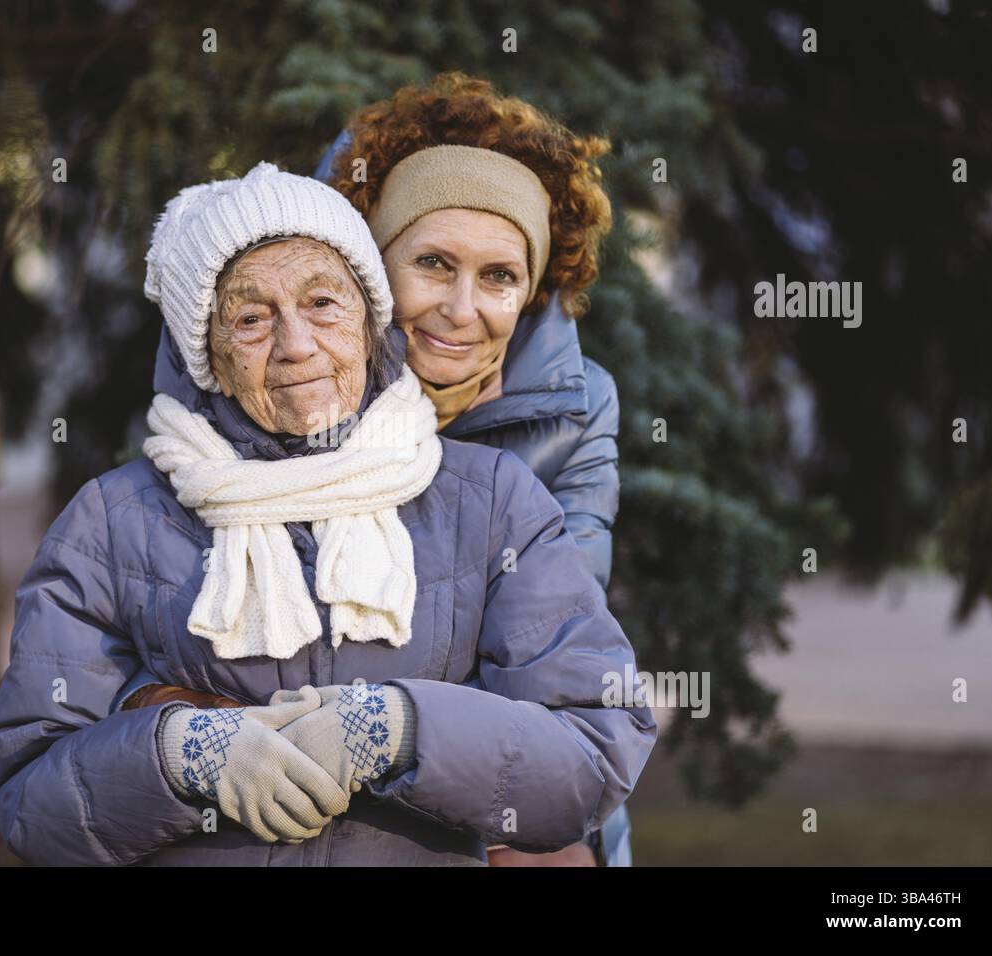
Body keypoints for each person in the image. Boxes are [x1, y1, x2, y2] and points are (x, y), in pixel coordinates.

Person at [0, 160, 656, 865]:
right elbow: (30, 801)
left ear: (371, 320)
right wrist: (183, 757)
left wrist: (396, 730)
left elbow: (594, 748)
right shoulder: (112, 521)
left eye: (324, 304)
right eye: (251, 318)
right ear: (205, 351)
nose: (296, 345)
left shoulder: (493, 502)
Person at [118, 72, 635, 866]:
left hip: (491, 793)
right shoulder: (264, 381)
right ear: (366, 265)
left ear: (530, 293)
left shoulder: (567, 412)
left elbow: (553, 664)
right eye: (432, 263)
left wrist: (389, 726)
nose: (462, 311)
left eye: (499, 277)